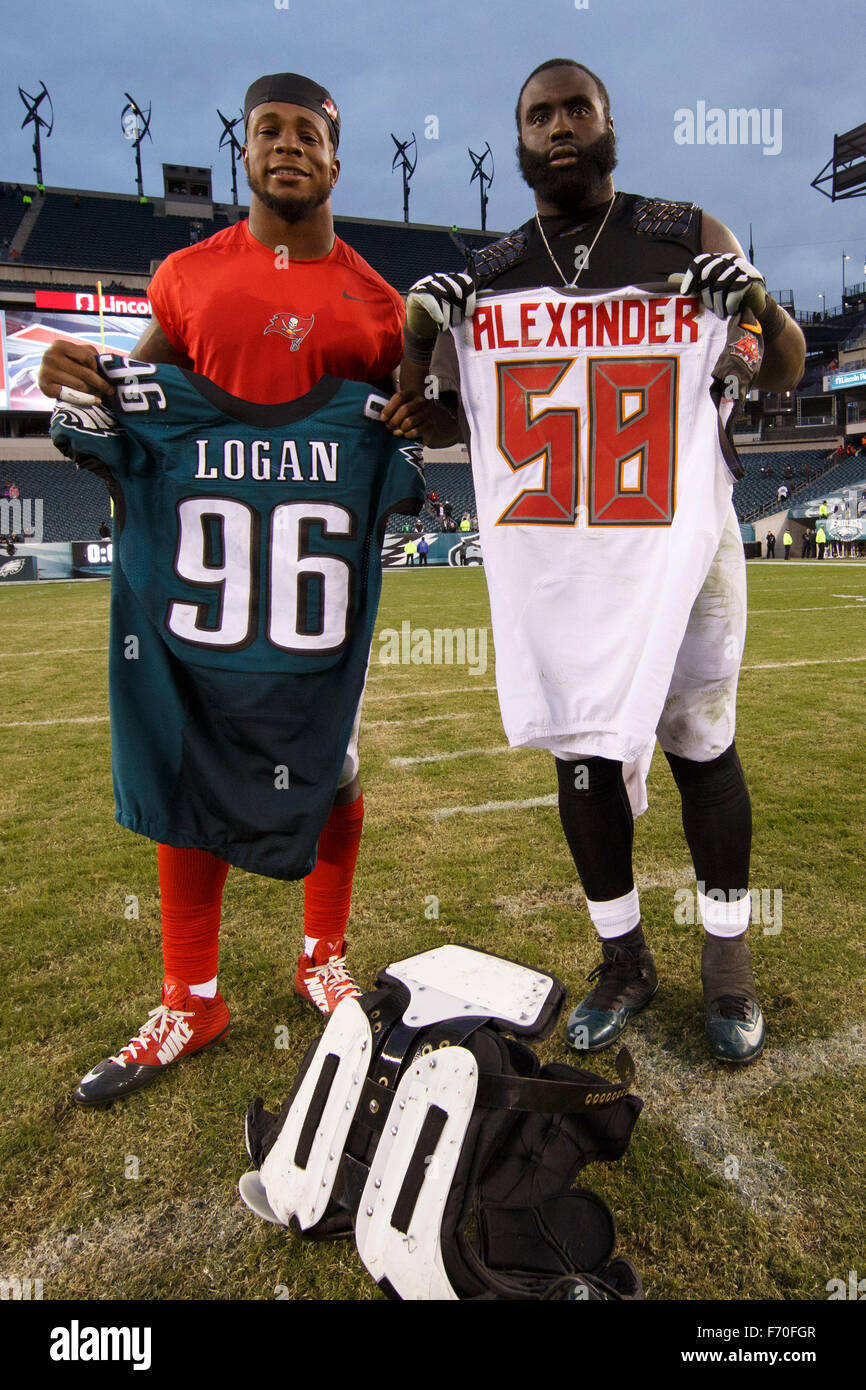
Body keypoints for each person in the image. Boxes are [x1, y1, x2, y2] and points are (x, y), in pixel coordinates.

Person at [37, 70, 442, 1106]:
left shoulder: (375, 303)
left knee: (334, 767)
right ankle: (192, 993)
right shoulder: (186, 276)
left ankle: (321, 955)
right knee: (186, 774)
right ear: (245, 152)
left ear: (335, 159)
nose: (287, 146)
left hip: (307, 595)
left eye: (308, 133)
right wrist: (74, 378)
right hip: (201, 582)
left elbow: (419, 425)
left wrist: (408, 417)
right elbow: (131, 396)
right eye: (268, 130)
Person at [390, 57, 805, 1065]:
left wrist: (751, 297)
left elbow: (779, 364)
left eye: (577, 108)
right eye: (540, 114)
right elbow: (438, 417)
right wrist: (415, 337)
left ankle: (726, 966)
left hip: (676, 541)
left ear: (607, 123)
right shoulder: (487, 276)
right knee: (581, 749)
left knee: (700, 739)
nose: (559, 125)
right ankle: (621, 960)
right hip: (563, 558)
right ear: (520, 137)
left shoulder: (683, 230)